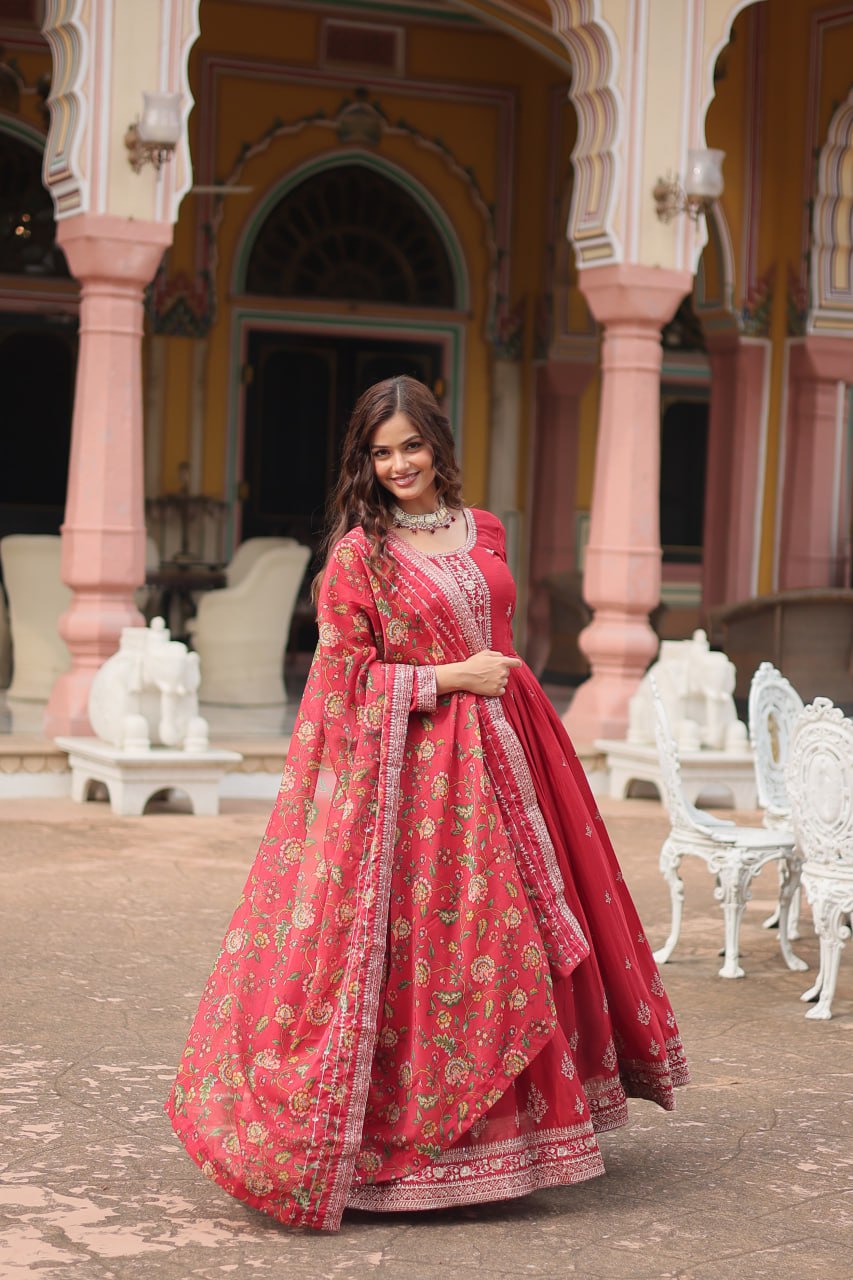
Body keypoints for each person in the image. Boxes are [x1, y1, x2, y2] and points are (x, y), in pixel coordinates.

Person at [166, 375, 688, 1233]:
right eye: (381, 452)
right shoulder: (358, 557)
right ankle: (426, 1147)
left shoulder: (484, 529)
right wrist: (448, 677)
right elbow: (339, 689)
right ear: (363, 462)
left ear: (437, 444)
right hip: (421, 785)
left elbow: (500, 637)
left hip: (519, 755)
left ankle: (523, 1139)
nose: (399, 464)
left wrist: (493, 689)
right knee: (456, 946)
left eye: (410, 446)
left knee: (531, 934)